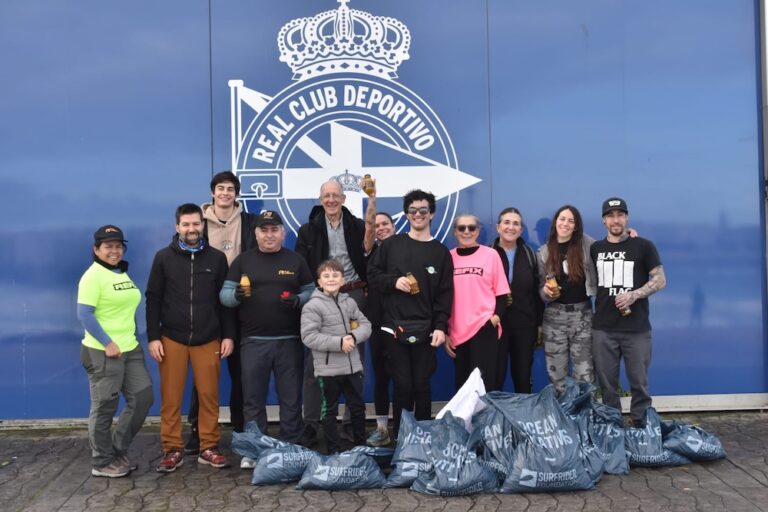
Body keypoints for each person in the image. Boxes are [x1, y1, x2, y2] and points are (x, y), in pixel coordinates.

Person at [220, 210, 314, 467]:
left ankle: (291, 446)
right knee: (252, 399)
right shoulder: (242, 261)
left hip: (290, 340)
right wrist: (236, 295)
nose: (269, 234)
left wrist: (299, 300)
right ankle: (254, 450)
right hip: (252, 341)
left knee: (291, 398)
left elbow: (311, 290)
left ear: (283, 233)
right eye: (264, 230)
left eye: (274, 230)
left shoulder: (295, 260)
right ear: (256, 233)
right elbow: (225, 296)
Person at [145, 203, 235, 472]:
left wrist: (227, 335)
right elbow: (153, 299)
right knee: (171, 397)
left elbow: (224, 301)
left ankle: (208, 446)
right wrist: (153, 337)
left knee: (209, 395)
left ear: (202, 225)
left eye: (196, 224)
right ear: (177, 227)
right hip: (172, 338)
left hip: (209, 338)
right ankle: (172, 449)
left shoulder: (217, 258)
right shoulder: (163, 258)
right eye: (186, 224)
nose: (191, 229)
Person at [295, 179, 375, 446]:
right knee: (315, 361)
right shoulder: (308, 230)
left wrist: (373, 201)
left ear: (343, 199)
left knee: (354, 359)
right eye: (326, 195)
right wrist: (311, 294)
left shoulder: (357, 225)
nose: (331, 200)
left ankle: (353, 423)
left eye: (335, 195)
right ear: (320, 199)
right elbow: (302, 266)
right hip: (320, 294)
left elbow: (370, 244)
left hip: (352, 293)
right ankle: (312, 423)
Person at [367, 189, 453, 437]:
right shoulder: (391, 245)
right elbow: (372, 276)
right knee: (402, 385)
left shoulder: (440, 252)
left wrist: (440, 326)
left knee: (422, 385)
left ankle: (424, 438)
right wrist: (394, 282)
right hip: (393, 327)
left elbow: (444, 295)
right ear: (406, 214)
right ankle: (402, 439)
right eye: (413, 210)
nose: (418, 215)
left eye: (423, 210)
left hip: (426, 329)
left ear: (432, 214)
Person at [185, 171, 257, 455]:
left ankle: (240, 430)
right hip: (206, 306)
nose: (225, 193)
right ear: (212, 192)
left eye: (230, 189)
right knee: (202, 375)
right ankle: (197, 433)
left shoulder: (249, 222)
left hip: (240, 305)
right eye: (220, 188)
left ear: (236, 194)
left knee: (241, 373)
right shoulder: (197, 223)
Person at [77, 225, 153, 478]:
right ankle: (101, 462)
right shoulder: (93, 276)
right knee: (104, 407)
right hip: (103, 351)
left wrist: (124, 341)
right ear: (96, 249)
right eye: (108, 246)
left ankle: (116, 451)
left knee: (143, 398)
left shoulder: (120, 273)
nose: (114, 250)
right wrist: (108, 342)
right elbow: (84, 314)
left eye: (118, 245)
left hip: (129, 348)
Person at [591, 197, 666, 428]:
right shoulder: (595, 248)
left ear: (627, 218)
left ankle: (641, 423)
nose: (616, 219)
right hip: (603, 328)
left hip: (637, 329)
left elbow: (660, 280)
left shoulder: (643, 246)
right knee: (607, 384)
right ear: (604, 220)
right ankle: (612, 426)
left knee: (639, 382)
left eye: (620, 215)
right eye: (611, 215)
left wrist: (634, 294)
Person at [301, 259, 372, 453]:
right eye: (326, 276)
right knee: (329, 412)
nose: (331, 279)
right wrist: (339, 343)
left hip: (352, 367)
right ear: (319, 282)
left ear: (343, 280)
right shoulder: (312, 306)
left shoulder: (349, 302)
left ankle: (361, 449)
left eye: (335, 275)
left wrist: (353, 336)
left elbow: (366, 325)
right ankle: (333, 451)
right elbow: (309, 337)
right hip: (328, 370)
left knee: (358, 409)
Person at [444, 214, 510, 391]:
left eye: (471, 228)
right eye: (462, 228)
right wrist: (445, 332)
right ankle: (465, 420)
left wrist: (494, 319)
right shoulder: (447, 258)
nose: (467, 232)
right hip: (457, 332)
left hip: (484, 328)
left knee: (484, 384)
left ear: (478, 231)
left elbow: (502, 294)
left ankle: (485, 420)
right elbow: (442, 298)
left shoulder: (491, 255)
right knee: (463, 385)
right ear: (455, 232)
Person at [537, 205, 596, 395]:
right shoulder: (544, 252)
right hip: (554, 317)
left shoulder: (587, 245)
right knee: (556, 374)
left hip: (583, 315)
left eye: (571, 221)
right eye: (562, 219)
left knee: (584, 374)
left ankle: (585, 417)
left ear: (576, 226)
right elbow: (539, 290)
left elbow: (610, 247)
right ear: (556, 222)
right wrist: (546, 292)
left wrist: (626, 237)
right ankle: (563, 416)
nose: (565, 223)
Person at [491, 207, 544, 393]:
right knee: (494, 376)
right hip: (495, 325)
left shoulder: (530, 255)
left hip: (524, 325)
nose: (511, 227)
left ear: (521, 230)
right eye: (506, 222)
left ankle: (524, 419)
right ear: (498, 227)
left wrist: (539, 324)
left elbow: (537, 293)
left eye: (516, 224)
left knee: (522, 376)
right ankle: (493, 419)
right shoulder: (487, 254)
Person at [363, 211, 396, 446]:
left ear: (394, 226)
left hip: (403, 322)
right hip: (376, 322)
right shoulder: (368, 252)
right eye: (377, 225)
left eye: (386, 224)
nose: (381, 227)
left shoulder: (405, 249)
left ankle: (408, 427)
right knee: (381, 377)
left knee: (406, 379)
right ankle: (382, 428)